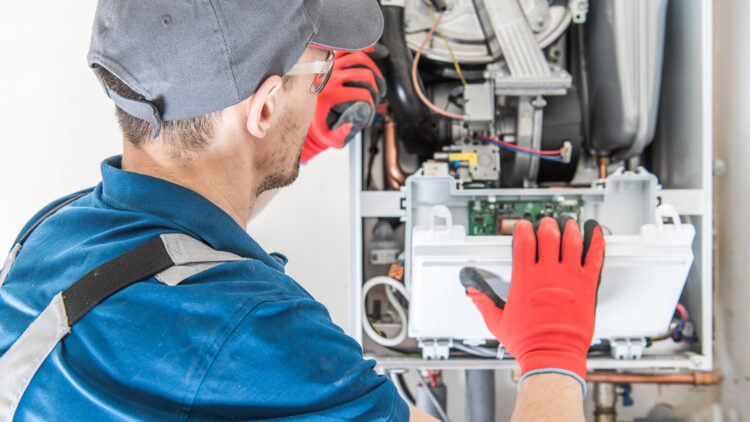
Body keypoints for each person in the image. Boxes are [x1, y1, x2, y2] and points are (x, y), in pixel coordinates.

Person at [0, 1, 604, 421]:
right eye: (319, 72)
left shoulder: (56, 230)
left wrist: (288, 148)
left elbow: (179, 252)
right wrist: (552, 352)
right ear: (262, 111)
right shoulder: (257, 332)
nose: (323, 85)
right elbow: (218, 326)